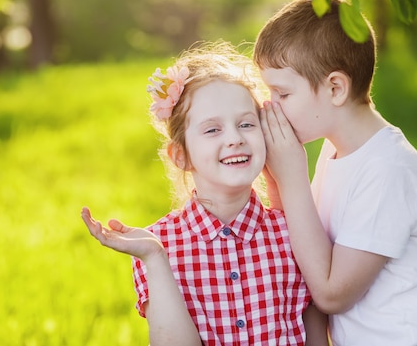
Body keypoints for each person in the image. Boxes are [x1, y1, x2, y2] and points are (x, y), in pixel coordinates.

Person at [253, 0, 417, 346]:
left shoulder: (387, 168)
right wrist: (278, 184)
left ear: (335, 88)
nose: (271, 107)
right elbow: (309, 248)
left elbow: (332, 293)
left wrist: (293, 178)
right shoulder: (334, 149)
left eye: (282, 93)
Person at [81, 41, 329, 346]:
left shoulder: (293, 233)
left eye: (246, 124)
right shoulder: (159, 246)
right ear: (181, 155)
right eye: (213, 130)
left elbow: (318, 336)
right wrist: (156, 259)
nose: (235, 138)